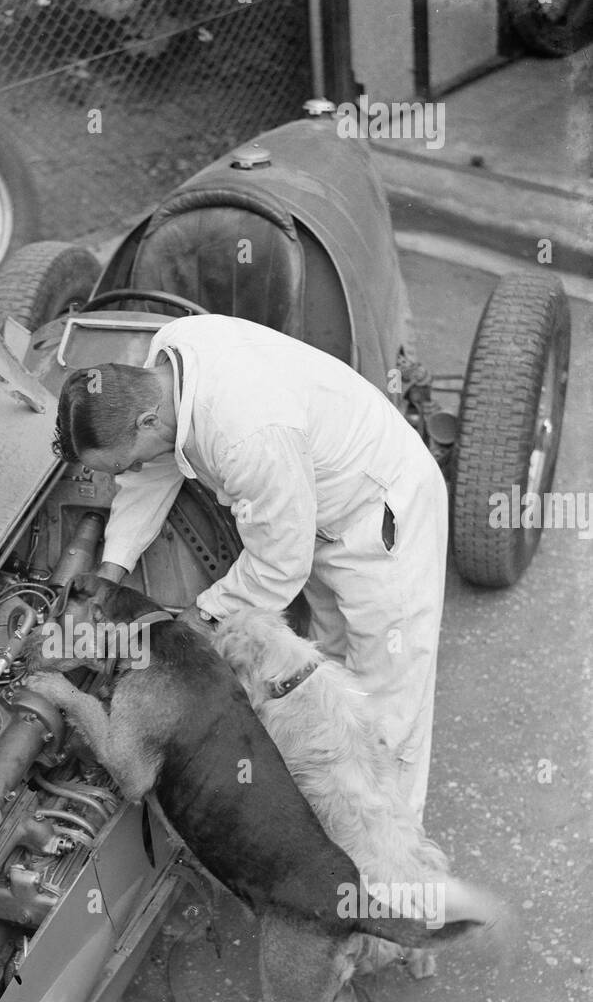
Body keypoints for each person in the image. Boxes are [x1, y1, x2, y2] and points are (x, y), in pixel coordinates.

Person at [51, 314, 449, 818]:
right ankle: (329, 830)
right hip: (315, 514)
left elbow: (280, 566)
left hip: (383, 520)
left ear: (147, 420)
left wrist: (199, 620)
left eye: (123, 461)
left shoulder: (245, 435)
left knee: (387, 712)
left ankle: (391, 862)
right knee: (325, 679)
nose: (128, 471)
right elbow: (149, 476)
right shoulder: (167, 363)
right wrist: (107, 579)